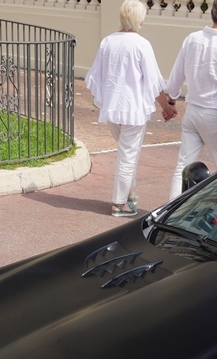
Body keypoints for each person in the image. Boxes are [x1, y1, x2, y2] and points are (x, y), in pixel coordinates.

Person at [84, 0, 168, 216]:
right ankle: (119, 203)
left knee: (127, 153)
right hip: (133, 110)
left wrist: (102, 100)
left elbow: (94, 76)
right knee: (128, 156)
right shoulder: (141, 44)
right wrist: (166, 106)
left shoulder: (108, 41)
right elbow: (154, 82)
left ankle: (128, 196)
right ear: (139, 19)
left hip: (112, 109)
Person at [162, 0, 217, 200]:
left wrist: (170, 102)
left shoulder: (192, 39)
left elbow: (175, 78)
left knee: (183, 164)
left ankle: (168, 210)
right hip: (214, 116)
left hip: (193, 112)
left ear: (212, 14)